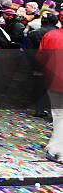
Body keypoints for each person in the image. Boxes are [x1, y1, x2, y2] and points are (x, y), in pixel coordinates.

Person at [38, 11, 63, 164]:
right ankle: (57, 149)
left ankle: (55, 147)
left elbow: (41, 57)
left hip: (54, 81)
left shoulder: (51, 35)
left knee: (59, 115)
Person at [27, 12, 59, 118]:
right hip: (56, 65)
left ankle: (40, 109)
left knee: (40, 87)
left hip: (39, 65)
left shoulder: (33, 34)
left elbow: (30, 53)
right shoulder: (58, 34)